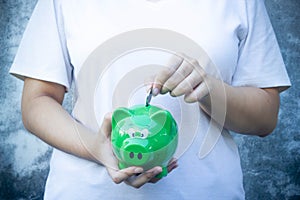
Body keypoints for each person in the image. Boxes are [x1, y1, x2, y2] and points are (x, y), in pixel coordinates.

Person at [10, 0, 291, 199]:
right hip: (85, 192)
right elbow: (37, 102)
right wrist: (96, 148)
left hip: (206, 192)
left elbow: (265, 117)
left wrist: (209, 91)